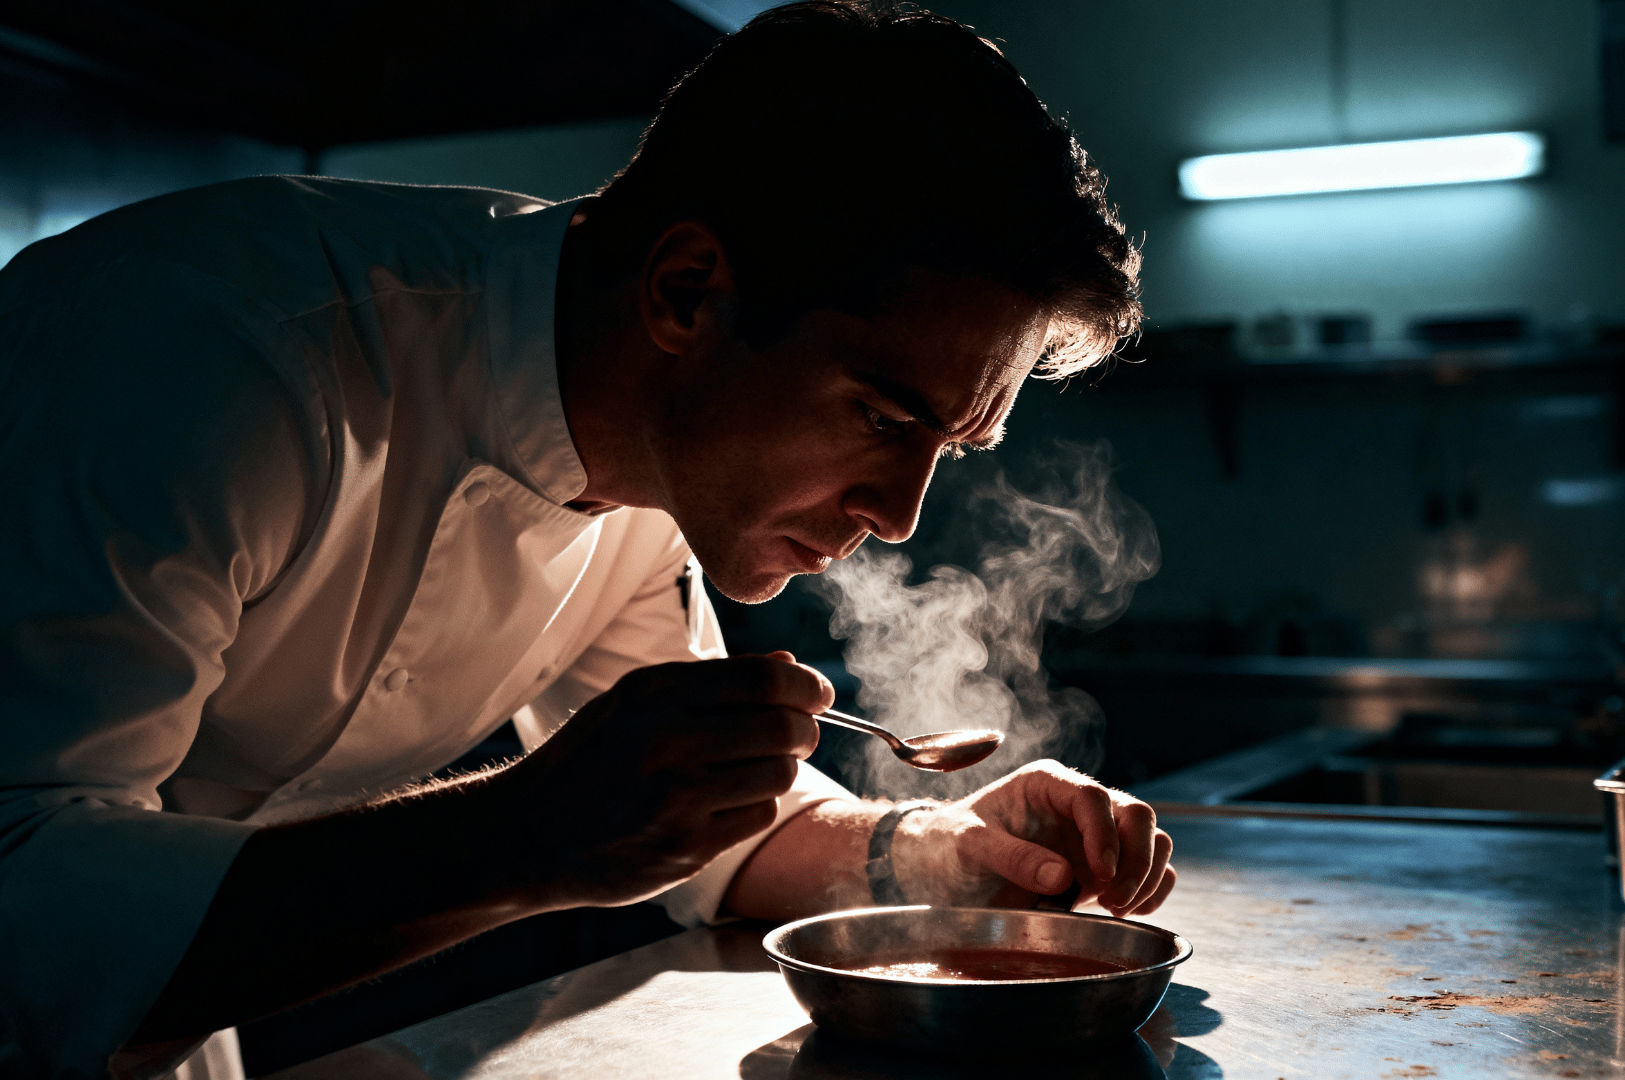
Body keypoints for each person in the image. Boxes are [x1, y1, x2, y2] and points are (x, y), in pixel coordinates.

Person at [0, 3, 1174, 1077]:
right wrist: (520, 835)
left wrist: (937, 854)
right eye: (880, 415)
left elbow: (711, 831)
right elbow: (22, 893)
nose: (899, 514)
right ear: (683, 291)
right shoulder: (214, 359)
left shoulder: (645, 490)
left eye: (950, 448)